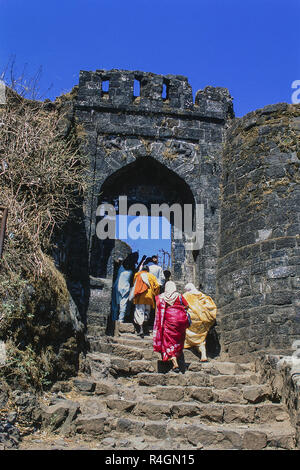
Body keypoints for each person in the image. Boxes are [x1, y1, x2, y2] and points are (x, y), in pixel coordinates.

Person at [153, 281, 190, 372]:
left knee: (169, 339)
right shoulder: (179, 296)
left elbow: (158, 307)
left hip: (169, 319)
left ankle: (174, 362)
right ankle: (177, 355)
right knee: (178, 338)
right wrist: (180, 308)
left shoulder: (162, 297)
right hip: (180, 320)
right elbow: (187, 306)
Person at [183, 282, 217, 362]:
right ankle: (203, 355)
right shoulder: (201, 295)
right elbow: (209, 304)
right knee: (201, 338)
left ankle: (187, 345)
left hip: (191, 319)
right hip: (202, 319)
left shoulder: (185, 295)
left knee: (188, 333)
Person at [131, 265, 160, 338]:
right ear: (148, 270)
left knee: (139, 313)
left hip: (140, 296)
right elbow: (157, 286)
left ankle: (141, 330)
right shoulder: (152, 276)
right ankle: (146, 327)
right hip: (149, 297)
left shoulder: (137, 275)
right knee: (147, 312)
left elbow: (135, 284)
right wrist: (155, 294)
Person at [111, 252, 138, 323]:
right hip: (126, 287)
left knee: (115, 304)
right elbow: (133, 277)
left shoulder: (121, 266)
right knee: (123, 304)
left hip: (117, 286)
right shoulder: (132, 269)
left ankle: (114, 319)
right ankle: (121, 320)